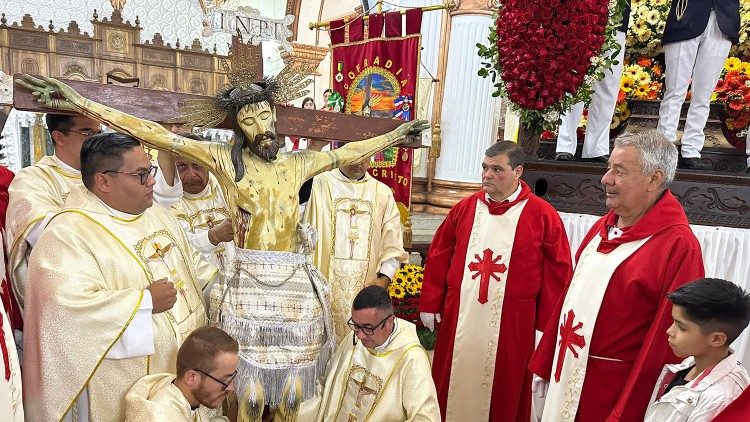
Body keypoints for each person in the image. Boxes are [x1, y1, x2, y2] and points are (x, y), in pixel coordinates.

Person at [17, 73, 427, 410]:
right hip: (248, 280)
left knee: (293, 386)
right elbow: (156, 135)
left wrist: (399, 133)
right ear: (237, 127)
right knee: (240, 387)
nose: (260, 127)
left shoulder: (301, 162)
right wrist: (80, 98)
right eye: (248, 121)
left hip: (294, 285)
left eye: (265, 116)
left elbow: (353, 148)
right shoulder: (223, 162)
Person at [21, 133, 215, 421]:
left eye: (150, 170)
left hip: (182, 365)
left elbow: (196, 268)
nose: (152, 181)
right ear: (103, 181)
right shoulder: (67, 233)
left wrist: (222, 287)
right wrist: (143, 301)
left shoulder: (159, 216)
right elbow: (62, 312)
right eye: (140, 175)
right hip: (117, 383)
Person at [529, 131, 705, 421]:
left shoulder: (678, 246)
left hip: (612, 391)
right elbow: (569, 301)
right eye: (608, 167)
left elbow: (671, 343)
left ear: (654, 179)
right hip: (566, 371)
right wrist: (546, 361)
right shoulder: (602, 228)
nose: (606, 179)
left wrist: (632, 407)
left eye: (619, 171)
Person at [418, 140, 572, 421]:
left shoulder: (541, 215)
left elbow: (558, 273)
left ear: (517, 172)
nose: (487, 175)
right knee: (451, 382)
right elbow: (440, 253)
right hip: (460, 314)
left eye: (497, 169)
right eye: (484, 168)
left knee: (505, 389)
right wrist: (430, 301)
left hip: (514, 323)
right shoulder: (464, 209)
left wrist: (544, 328)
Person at [5, 113, 182, 310]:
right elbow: (43, 234)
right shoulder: (34, 179)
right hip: (74, 287)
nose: (96, 139)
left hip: (135, 277)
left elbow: (157, 206)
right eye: (87, 132)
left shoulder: (120, 172)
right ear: (58, 137)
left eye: (99, 132)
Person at [297, 285, 440, 421]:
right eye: (355, 325)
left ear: (389, 321)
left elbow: (426, 417)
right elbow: (326, 384)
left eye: (367, 328)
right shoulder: (353, 339)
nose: (360, 336)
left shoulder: (411, 358)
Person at [303, 156, 408, 341]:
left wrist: (384, 279)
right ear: (343, 150)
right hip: (324, 285)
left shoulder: (381, 192)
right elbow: (297, 212)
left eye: (365, 158)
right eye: (354, 156)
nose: (359, 163)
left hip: (365, 286)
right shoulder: (320, 184)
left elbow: (392, 242)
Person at [644, 278, 750, 421]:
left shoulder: (720, 399)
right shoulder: (690, 364)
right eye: (673, 321)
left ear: (716, 339)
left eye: (682, 327)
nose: (669, 331)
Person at [657, 0, 739, 170]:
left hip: (723, 18)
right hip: (685, 16)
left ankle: (691, 150)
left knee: (704, 95)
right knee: (675, 91)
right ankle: (663, 150)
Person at [555, 2, 630, 163]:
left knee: (608, 83)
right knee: (573, 78)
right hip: (581, 12)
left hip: (616, 15)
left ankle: (596, 147)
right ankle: (565, 145)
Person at [125, 326, 239, 421]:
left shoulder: (180, 390)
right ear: (192, 377)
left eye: (232, 376)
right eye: (224, 380)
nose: (231, 388)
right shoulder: (160, 416)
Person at [170, 135, 235, 273]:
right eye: (182, 167)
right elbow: (179, 248)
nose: (191, 174)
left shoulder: (227, 188)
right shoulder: (169, 202)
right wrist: (214, 236)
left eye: (196, 164)